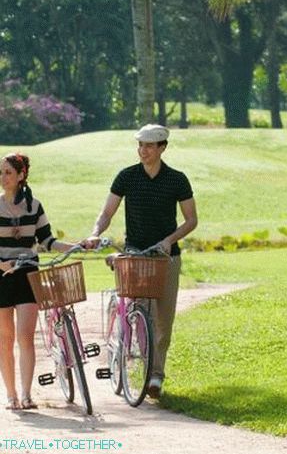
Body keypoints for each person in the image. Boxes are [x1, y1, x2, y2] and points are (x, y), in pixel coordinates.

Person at [83, 124, 197, 398]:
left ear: (162, 148)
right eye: (140, 145)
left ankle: (156, 375)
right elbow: (107, 211)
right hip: (135, 254)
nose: (142, 150)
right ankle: (135, 361)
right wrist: (96, 232)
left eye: (149, 146)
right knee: (139, 312)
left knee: (163, 321)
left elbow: (191, 220)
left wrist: (169, 240)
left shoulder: (177, 180)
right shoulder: (127, 177)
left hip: (166, 257)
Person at [0, 153, 79, 410]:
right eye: (1, 173)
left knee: (25, 336)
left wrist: (75, 246)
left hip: (27, 275)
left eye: (7, 173)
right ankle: (10, 395)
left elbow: (47, 241)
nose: (2, 178)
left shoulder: (35, 206)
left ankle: (26, 394)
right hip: (1, 275)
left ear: (21, 175)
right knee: (5, 338)